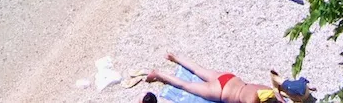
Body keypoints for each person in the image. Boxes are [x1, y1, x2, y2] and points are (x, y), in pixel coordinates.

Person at [129, 56, 311, 103]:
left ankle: (175, 57)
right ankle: (159, 74)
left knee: (198, 69)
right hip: (220, 92)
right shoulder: (252, 100)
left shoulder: (268, 92)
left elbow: (278, 93)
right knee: (186, 85)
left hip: (230, 79)